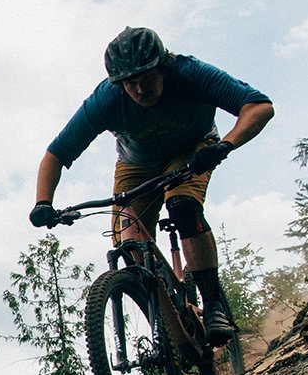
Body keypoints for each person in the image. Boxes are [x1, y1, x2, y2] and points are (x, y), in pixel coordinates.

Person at [30, 26, 274, 344]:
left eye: (145, 77)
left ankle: (214, 303)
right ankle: (169, 324)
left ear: (162, 67)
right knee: (129, 243)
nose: (139, 89)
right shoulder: (107, 99)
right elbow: (56, 154)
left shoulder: (189, 74)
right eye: (129, 83)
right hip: (137, 165)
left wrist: (224, 146)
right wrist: (43, 203)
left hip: (193, 150)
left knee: (183, 205)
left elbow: (258, 105)